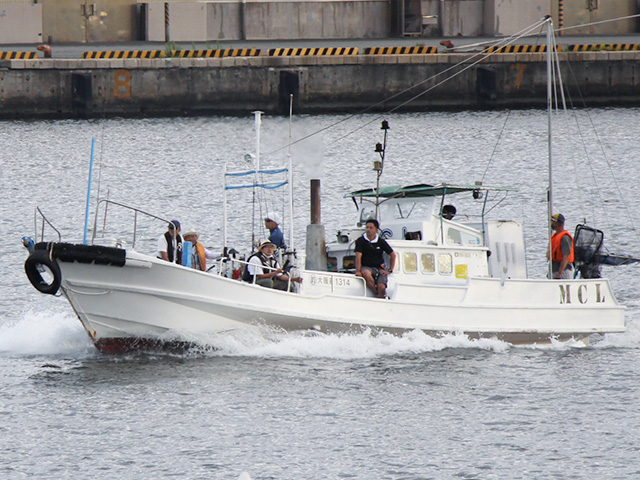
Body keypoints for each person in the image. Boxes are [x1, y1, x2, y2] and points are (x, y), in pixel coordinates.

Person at [355, 219, 397, 298]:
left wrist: (390, 270)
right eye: (367, 227)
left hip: (379, 267)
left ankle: (381, 298)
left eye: (371, 228)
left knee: (382, 287)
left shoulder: (381, 242)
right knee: (366, 273)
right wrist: (358, 271)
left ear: (376, 230)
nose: (368, 230)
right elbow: (358, 257)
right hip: (366, 266)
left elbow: (393, 255)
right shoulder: (360, 241)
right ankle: (376, 292)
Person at [548, 213, 575, 279]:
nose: (551, 224)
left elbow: (566, 256)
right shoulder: (555, 236)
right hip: (554, 270)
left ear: (557, 223)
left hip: (564, 272)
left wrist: (560, 273)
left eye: (553, 222)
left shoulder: (565, 238)